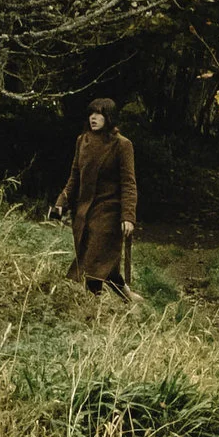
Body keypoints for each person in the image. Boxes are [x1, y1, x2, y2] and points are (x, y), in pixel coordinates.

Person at [55, 97, 137, 307]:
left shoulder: (122, 145)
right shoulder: (82, 141)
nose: (94, 118)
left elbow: (128, 183)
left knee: (93, 262)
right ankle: (128, 297)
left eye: (99, 114)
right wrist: (61, 202)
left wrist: (128, 216)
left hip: (109, 212)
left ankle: (93, 310)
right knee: (102, 263)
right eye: (91, 113)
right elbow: (74, 176)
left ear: (109, 117)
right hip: (84, 212)